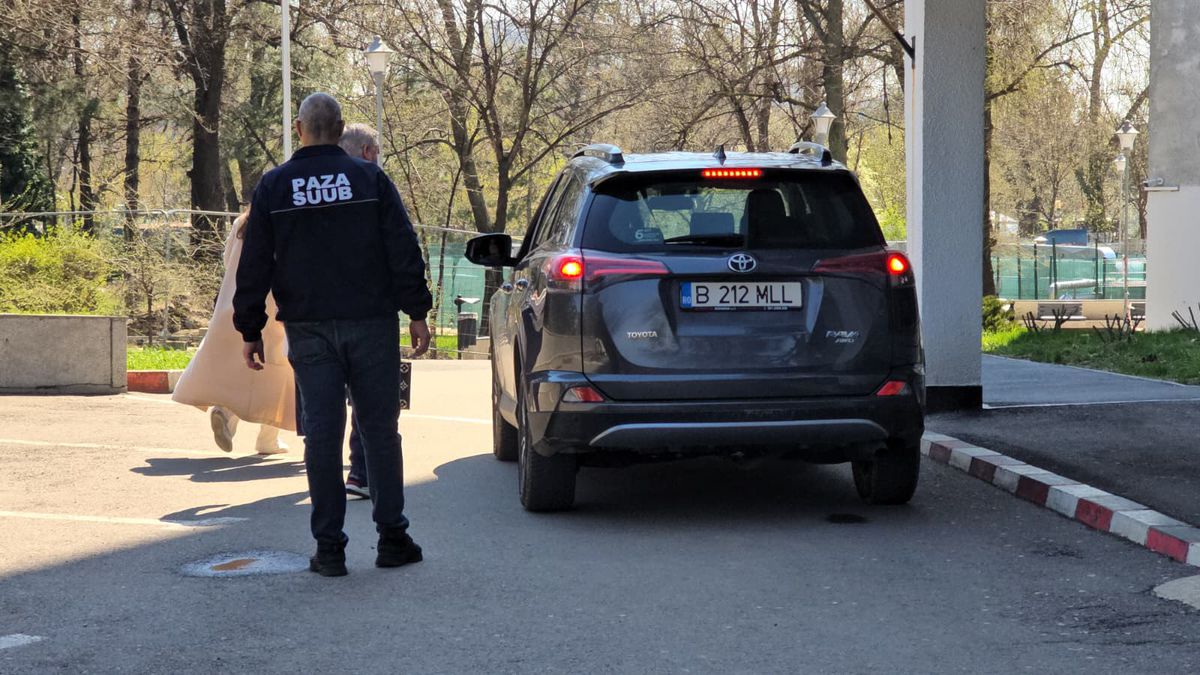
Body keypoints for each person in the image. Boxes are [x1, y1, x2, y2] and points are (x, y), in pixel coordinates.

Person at [234, 92, 432, 577]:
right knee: (380, 431)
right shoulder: (369, 179)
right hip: (371, 324)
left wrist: (250, 328)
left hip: (309, 328)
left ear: (299, 129)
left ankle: (329, 550)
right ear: (339, 128)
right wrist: (418, 311)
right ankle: (392, 538)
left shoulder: (275, 187)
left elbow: (255, 262)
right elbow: (402, 248)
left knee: (322, 437)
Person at [172, 210, 294, 455]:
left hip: (236, 299)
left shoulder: (242, 222)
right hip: (274, 300)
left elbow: (228, 260)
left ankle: (226, 414)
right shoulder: (284, 218)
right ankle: (267, 439)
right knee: (279, 373)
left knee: (241, 369)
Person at [336, 123, 383, 499]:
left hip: (312, 317)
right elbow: (399, 247)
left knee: (323, 408)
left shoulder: (311, 186)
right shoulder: (374, 185)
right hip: (368, 314)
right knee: (371, 403)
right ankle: (363, 474)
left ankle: (334, 485)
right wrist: (417, 310)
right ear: (367, 152)